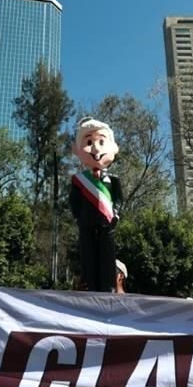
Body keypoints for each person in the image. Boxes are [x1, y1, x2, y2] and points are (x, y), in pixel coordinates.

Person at [69, 117, 123, 293]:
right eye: (89, 142)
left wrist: (116, 214)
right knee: (88, 256)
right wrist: (79, 218)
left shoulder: (114, 179)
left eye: (101, 141)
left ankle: (109, 288)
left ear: (113, 148)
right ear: (77, 150)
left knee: (107, 257)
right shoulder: (79, 179)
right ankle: (89, 287)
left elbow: (119, 199)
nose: (96, 148)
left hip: (107, 224)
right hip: (86, 224)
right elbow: (74, 202)